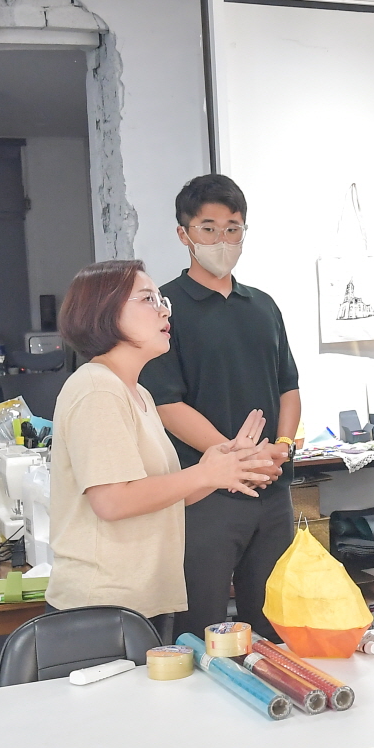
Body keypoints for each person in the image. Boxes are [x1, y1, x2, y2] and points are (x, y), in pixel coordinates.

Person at [47, 260, 270, 640]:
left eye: (162, 300)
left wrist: (221, 469)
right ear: (105, 312)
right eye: (148, 299)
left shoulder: (139, 393)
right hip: (103, 606)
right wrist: (204, 473)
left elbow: (163, 495)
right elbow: (112, 501)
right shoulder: (98, 389)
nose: (165, 311)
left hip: (142, 601)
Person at [140, 175, 301, 643]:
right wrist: (237, 457)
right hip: (204, 494)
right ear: (183, 234)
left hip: (272, 492)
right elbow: (167, 403)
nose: (222, 240)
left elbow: (289, 387)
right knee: (201, 627)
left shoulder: (263, 306)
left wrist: (282, 446)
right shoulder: (165, 310)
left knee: (273, 627)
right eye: (208, 229)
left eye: (233, 229)